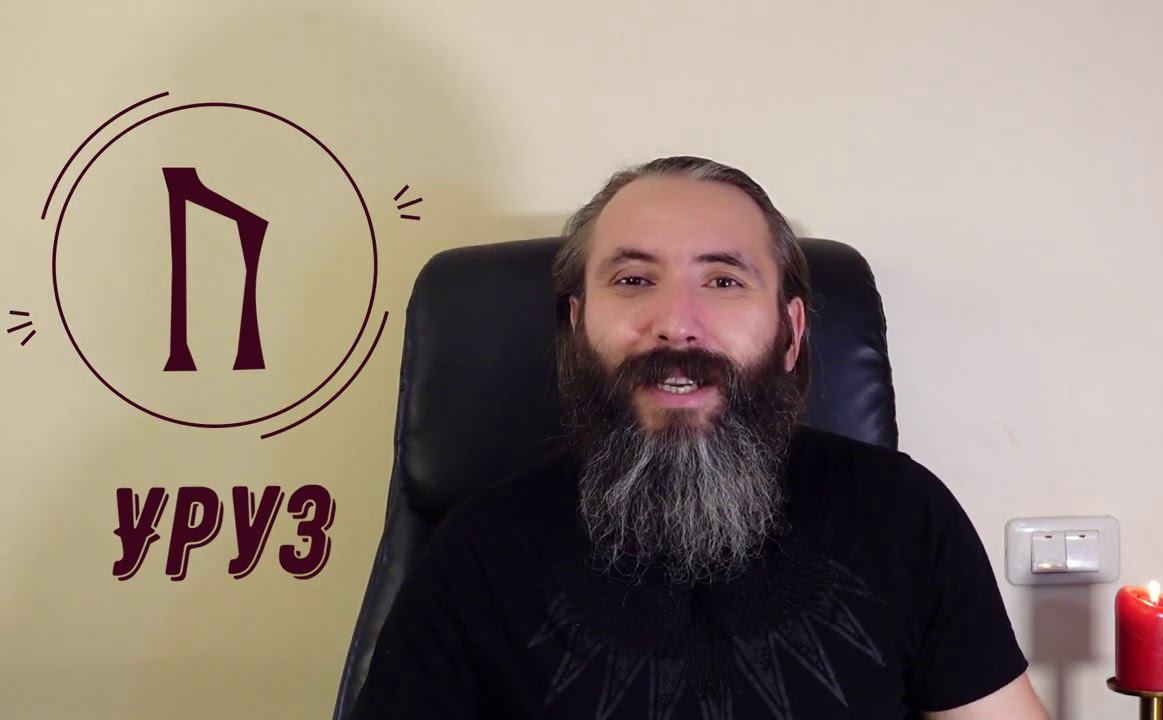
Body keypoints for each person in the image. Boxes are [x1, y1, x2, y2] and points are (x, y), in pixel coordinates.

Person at [351, 156, 1049, 719]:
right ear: (576, 328)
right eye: (633, 279)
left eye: (722, 280)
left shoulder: (902, 514)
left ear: (791, 332)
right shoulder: (477, 554)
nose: (677, 324)